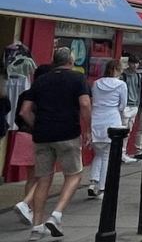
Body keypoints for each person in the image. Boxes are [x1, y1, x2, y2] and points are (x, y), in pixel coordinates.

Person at [19, 48, 91, 239]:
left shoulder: (41, 80)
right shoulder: (77, 79)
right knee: (74, 175)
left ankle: (37, 226)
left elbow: (25, 111)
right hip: (67, 133)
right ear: (70, 61)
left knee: (43, 179)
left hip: (42, 135)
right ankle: (56, 215)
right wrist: (88, 129)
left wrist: (38, 126)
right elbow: (84, 104)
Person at [10, 64, 52, 226]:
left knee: (31, 177)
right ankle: (27, 205)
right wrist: (37, 127)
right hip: (37, 137)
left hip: (22, 135)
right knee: (44, 174)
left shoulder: (25, 94)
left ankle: (29, 209)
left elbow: (17, 116)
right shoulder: (44, 94)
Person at [89, 59, 127, 199]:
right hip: (112, 117)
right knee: (107, 155)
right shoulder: (121, 85)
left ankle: (92, 182)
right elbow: (122, 105)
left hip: (96, 117)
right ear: (118, 69)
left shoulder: (96, 83)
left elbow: (94, 100)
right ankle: (103, 188)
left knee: (98, 153)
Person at [121, 54, 142, 163]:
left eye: (136, 63)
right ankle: (121, 153)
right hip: (126, 105)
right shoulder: (123, 75)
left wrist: (137, 104)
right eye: (133, 63)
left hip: (134, 105)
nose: (135, 65)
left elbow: (139, 90)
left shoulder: (138, 75)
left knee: (128, 130)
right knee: (123, 130)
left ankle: (123, 153)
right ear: (129, 63)